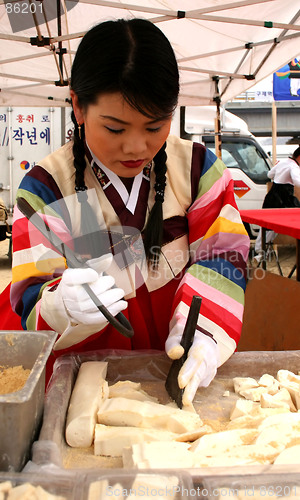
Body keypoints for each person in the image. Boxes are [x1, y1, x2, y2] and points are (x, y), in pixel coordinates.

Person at [9, 18, 249, 405]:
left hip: (176, 368)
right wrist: (61, 304)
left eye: (155, 127)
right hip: (86, 382)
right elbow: (30, 298)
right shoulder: (46, 188)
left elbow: (222, 256)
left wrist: (203, 335)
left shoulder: (198, 170)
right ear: (78, 107)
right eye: (116, 129)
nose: (136, 148)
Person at [254, 146, 300, 260]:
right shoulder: (293, 167)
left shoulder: (282, 162)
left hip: (272, 195)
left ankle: (260, 252)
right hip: (284, 198)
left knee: (267, 225)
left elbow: (270, 175)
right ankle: (261, 252)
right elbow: (297, 181)